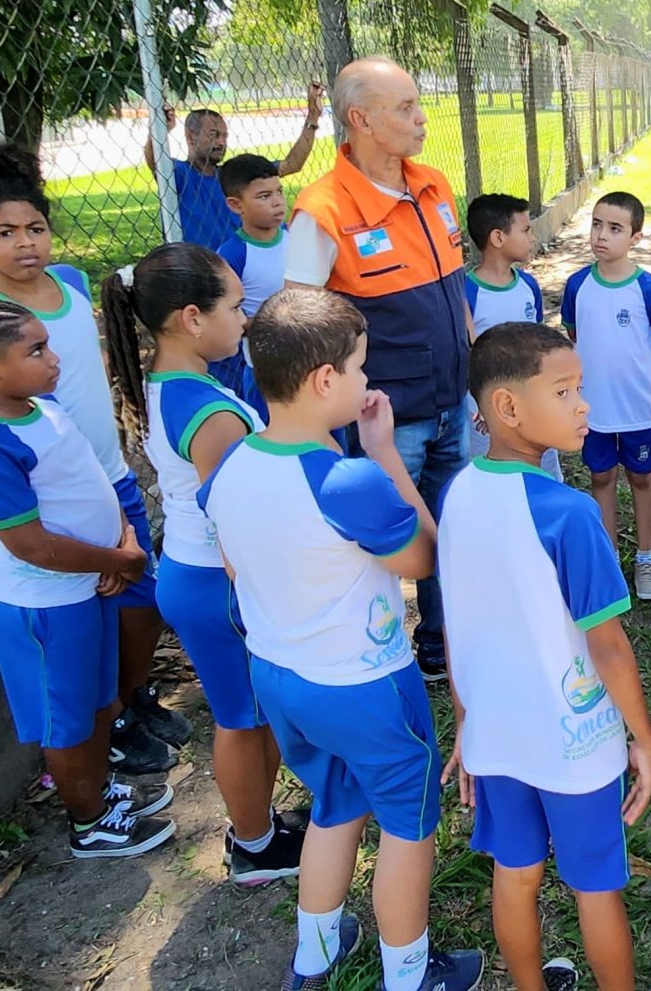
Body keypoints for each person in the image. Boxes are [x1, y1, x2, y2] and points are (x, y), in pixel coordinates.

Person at [198, 287, 483, 991]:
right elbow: (425, 559)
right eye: (359, 367)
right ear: (326, 379)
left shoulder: (231, 461)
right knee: (408, 824)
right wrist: (386, 455)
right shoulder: (348, 481)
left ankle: (315, 956)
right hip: (363, 683)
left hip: (279, 676)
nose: (365, 380)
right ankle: (409, 973)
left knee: (334, 804)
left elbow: (233, 565)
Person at [0, 144, 179, 775]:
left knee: (142, 604)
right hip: (54, 502)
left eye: (35, 228)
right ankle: (105, 724)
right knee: (94, 613)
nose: (25, 243)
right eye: (4, 233)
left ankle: (130, 699)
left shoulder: (74, 284)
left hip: (111, 480)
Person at [438, 322, 651, 991]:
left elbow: (455, 624)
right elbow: (608, 644)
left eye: (580, 388)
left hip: (497, 736)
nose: (583, 405)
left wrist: (465, 723)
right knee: (595, 887)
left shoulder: (457, 493)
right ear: (507, 407)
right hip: (576, 742)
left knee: (515, 876)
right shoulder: (569, 513)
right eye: (564, 391)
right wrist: (643, 736)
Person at [0, 297, 174, 859]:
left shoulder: (42, 405)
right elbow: (32, 545)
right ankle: (89, 824)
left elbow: (86, 480)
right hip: (45, 606)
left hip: (88, 585)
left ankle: (99, 789)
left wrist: (119, 541)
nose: (54, 358)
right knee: (66, 719)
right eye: (37, 350)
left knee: (96, 701)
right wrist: (118, 560)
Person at [98, 243, 306, 885]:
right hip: (221, 581)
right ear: (192, 318)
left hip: (200, 574)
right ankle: (253, 847)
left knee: (252, 712)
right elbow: (235, 517)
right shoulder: (209, 412)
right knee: (241, 718)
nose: (245, 320)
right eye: (236, 307)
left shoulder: (172, 383)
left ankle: (260, 826)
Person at [285, 57, 472, 681]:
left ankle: (443, 640)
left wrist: (472, 367)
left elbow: (454, 288)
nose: (421, 119)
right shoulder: (322, 210)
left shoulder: (433, 186)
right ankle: (377, 648)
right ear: (361, 120)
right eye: (405, 108)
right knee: (384, 534)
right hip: (386, 420)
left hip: (452, 401)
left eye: (418, 104)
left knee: (449, 522)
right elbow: (299, 326)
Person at [561, 191, 651, 600]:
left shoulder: (648, 288)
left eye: (615, 228)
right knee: (601, 476)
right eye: (596, 224)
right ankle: (609, 555)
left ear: (635, 237)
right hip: (593, 407)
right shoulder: (577, 285)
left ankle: (645, 557)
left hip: (636, 408)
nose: (601, 235)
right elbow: (575, 332)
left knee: (641, 477)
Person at [143, 82, 324, 251]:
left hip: (240, 263)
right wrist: (158, 130)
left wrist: (313, 116)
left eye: (225, 136)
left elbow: (292, 164)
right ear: (191, 137)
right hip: (199, 267)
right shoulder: (180, 175)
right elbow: (155, 160)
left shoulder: (233, 174)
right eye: (214, 135)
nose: (221, 142)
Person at [463, 193, 558, 477]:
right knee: (492, 476)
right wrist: (480, 402)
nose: (532, 238)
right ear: (498, 238)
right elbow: (466, 356)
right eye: (526, 230)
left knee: (541, 475)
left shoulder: (529, 285)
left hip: (534, 403)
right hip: (487, 412)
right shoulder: (467, 293)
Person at [214, 153, 290, 420]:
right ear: (236, 205)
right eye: (264, 196)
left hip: (313, 359)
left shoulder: (296, 235)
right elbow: (224, 317)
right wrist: (275, 323)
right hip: (266, 371)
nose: (277, 202)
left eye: (279, 192)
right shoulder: (232, 255)